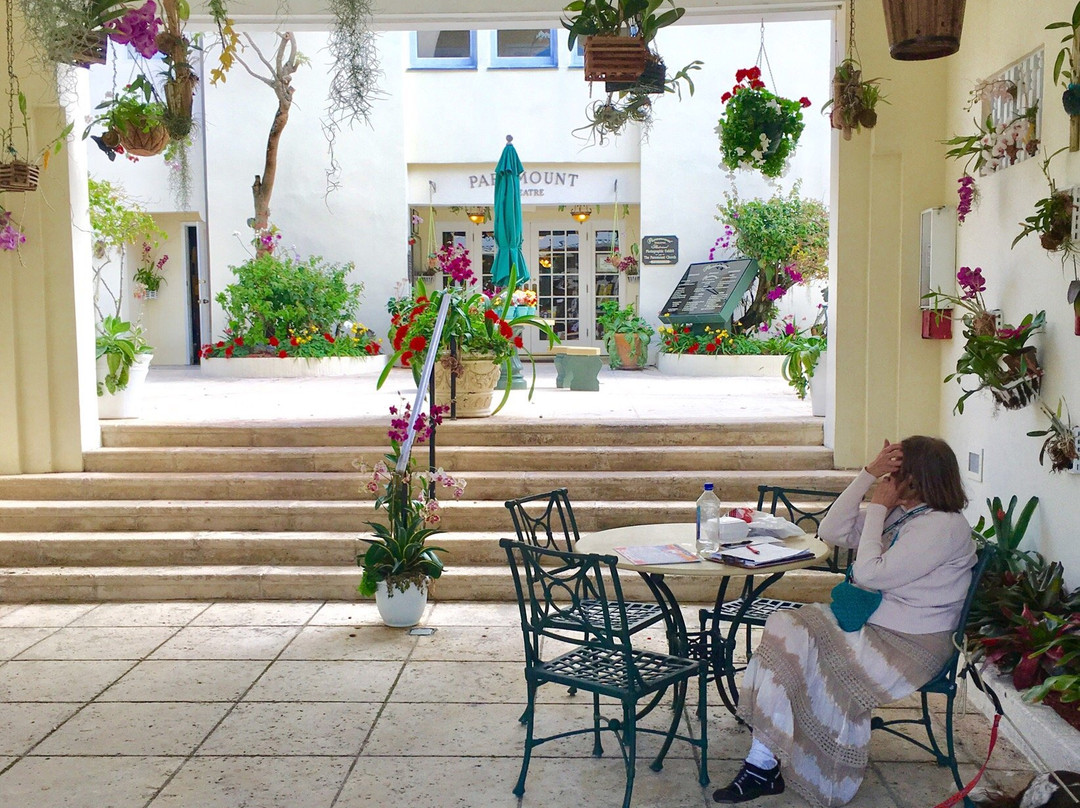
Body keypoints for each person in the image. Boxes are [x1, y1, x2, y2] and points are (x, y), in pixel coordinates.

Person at [713, 436, 976, 807]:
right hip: (871, 628)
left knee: (792, 636)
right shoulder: (908, 512)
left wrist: (880, 510)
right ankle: (763, 761)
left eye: (895, 472)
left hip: (907, 647)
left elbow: (869, 575)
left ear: (917, 479)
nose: (890, 479)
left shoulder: (942, 527)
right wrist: (866, 475)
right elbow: (832, 531)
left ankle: (763, 765)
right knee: (784, 627)